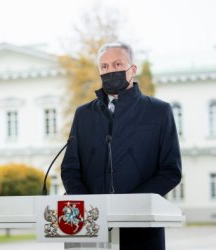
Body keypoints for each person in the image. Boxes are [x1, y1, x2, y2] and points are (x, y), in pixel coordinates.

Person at [61, 41, 182, 250]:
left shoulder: (159, 112)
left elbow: (171, 170)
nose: (110, 71)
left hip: (142, 229)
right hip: (90, 229)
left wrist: (131, 205)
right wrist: (91, 209)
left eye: (117, 65)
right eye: (104, 67)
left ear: (132, 70)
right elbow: (70, 169)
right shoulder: (83, 115)